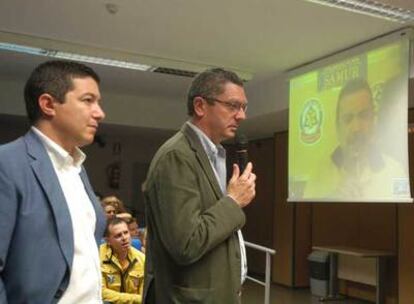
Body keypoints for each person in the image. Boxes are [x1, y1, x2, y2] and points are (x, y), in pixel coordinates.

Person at [143, 68, 256, 303]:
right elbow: (186, 243)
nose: (241, 116)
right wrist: (233, 201)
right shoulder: (177, 155)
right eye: (233, 105)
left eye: (244, 107)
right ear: (200, 106)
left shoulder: (213, 155)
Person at [0, 60, 106, 303]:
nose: (100, 112)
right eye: (88, 100)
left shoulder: (77, 168)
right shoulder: (7, 164)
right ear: (48, 104)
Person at [305, 78, 408, 199]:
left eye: (364, 116)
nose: (356, 128)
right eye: (348, 119)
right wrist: (333, 198)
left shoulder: (395, 171)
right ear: (337, 128)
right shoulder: (318, 175)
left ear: (373, 121)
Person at [100, 218, 145, 303]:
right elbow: (101, 292)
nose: (124, 238)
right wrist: (134, 298)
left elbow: (144, 296)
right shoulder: (98, 257)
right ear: (108, 241)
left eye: (126, 232)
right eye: (118, 235)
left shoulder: (142, 259)